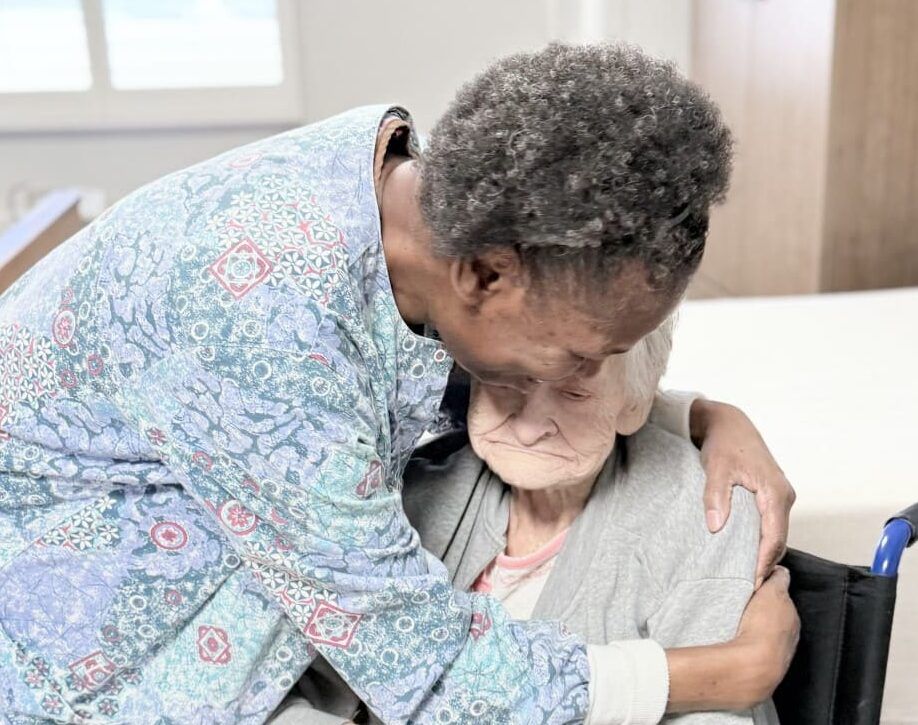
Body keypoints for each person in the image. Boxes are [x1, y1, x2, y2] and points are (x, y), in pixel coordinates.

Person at [0, 44, 795, 723]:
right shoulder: (262, 323)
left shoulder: (391, 186)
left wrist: (691, 412)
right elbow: (426, 666)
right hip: (77, 657)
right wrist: (717, 672)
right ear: (485, 274)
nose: (584, 374)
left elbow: (404, 370)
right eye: (585, 355)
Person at [275, 318, 789, 724]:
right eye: (507, 380)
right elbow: (274, 690)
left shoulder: (705, 512)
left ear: (637, 399)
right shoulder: (402, 494)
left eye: (574, 392)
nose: (528, 428)